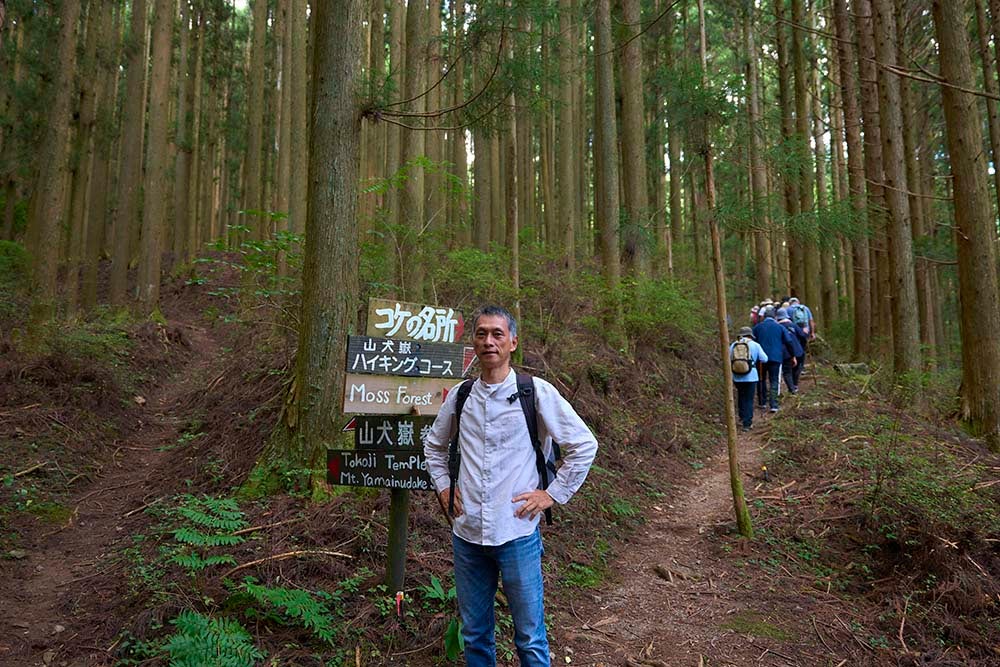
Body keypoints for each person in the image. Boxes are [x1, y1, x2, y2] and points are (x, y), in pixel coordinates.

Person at [423, 305, 598, 667]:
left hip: (517, 530)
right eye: (482, 334)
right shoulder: (461, 395)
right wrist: (443, 488)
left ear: (513, 342)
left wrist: (552, 494)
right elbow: (434, 446)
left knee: (530, 638)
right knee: (475, 635)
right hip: (467, 534)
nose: (489, 341)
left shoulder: (536, 392)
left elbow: (584, 445)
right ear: (474, 343)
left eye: (497, 334)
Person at [752, 306, 797, 413]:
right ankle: (774, 404)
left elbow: (753, 341)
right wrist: (792, 355)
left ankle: (762, 402)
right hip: (776, 357)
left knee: (761, 379)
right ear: (775, 317)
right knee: (774, 380)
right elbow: (789, 341)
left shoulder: (758, 327)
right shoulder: (780, 327)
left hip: (761, 358)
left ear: (764, 317)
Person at [730, 326, 767, 431]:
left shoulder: (733, 345)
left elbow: (729, 358)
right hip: (751, 376)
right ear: (750, 335)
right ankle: (747, 423)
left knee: (741, 396)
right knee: (749, 399)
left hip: (736, 375)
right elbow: (764, 359)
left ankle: (742, 417)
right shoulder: (755, 345)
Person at [776, 308, 807, 394]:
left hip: (785, 352)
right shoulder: (793, 325)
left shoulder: (777, 327)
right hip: (798, 350)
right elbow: (802, 336)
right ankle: (794, 385)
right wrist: (803, 346)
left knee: (787, 371)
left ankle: (792, 388)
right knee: (797, 369)